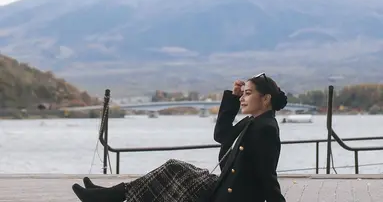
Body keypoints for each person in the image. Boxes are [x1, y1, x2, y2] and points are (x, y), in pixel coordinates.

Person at [72, 73, 287, 202]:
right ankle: (112, 195)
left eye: (248, 93)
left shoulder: (265, 129)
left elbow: (268, 178)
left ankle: (111, 197)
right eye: (243, 93)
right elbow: (221, 135)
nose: (243, 97)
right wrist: (232, 98)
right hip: (221, 187)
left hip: (228, 198)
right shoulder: (253, 121)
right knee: (174, 168)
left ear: (266, 98)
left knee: (173, 174)